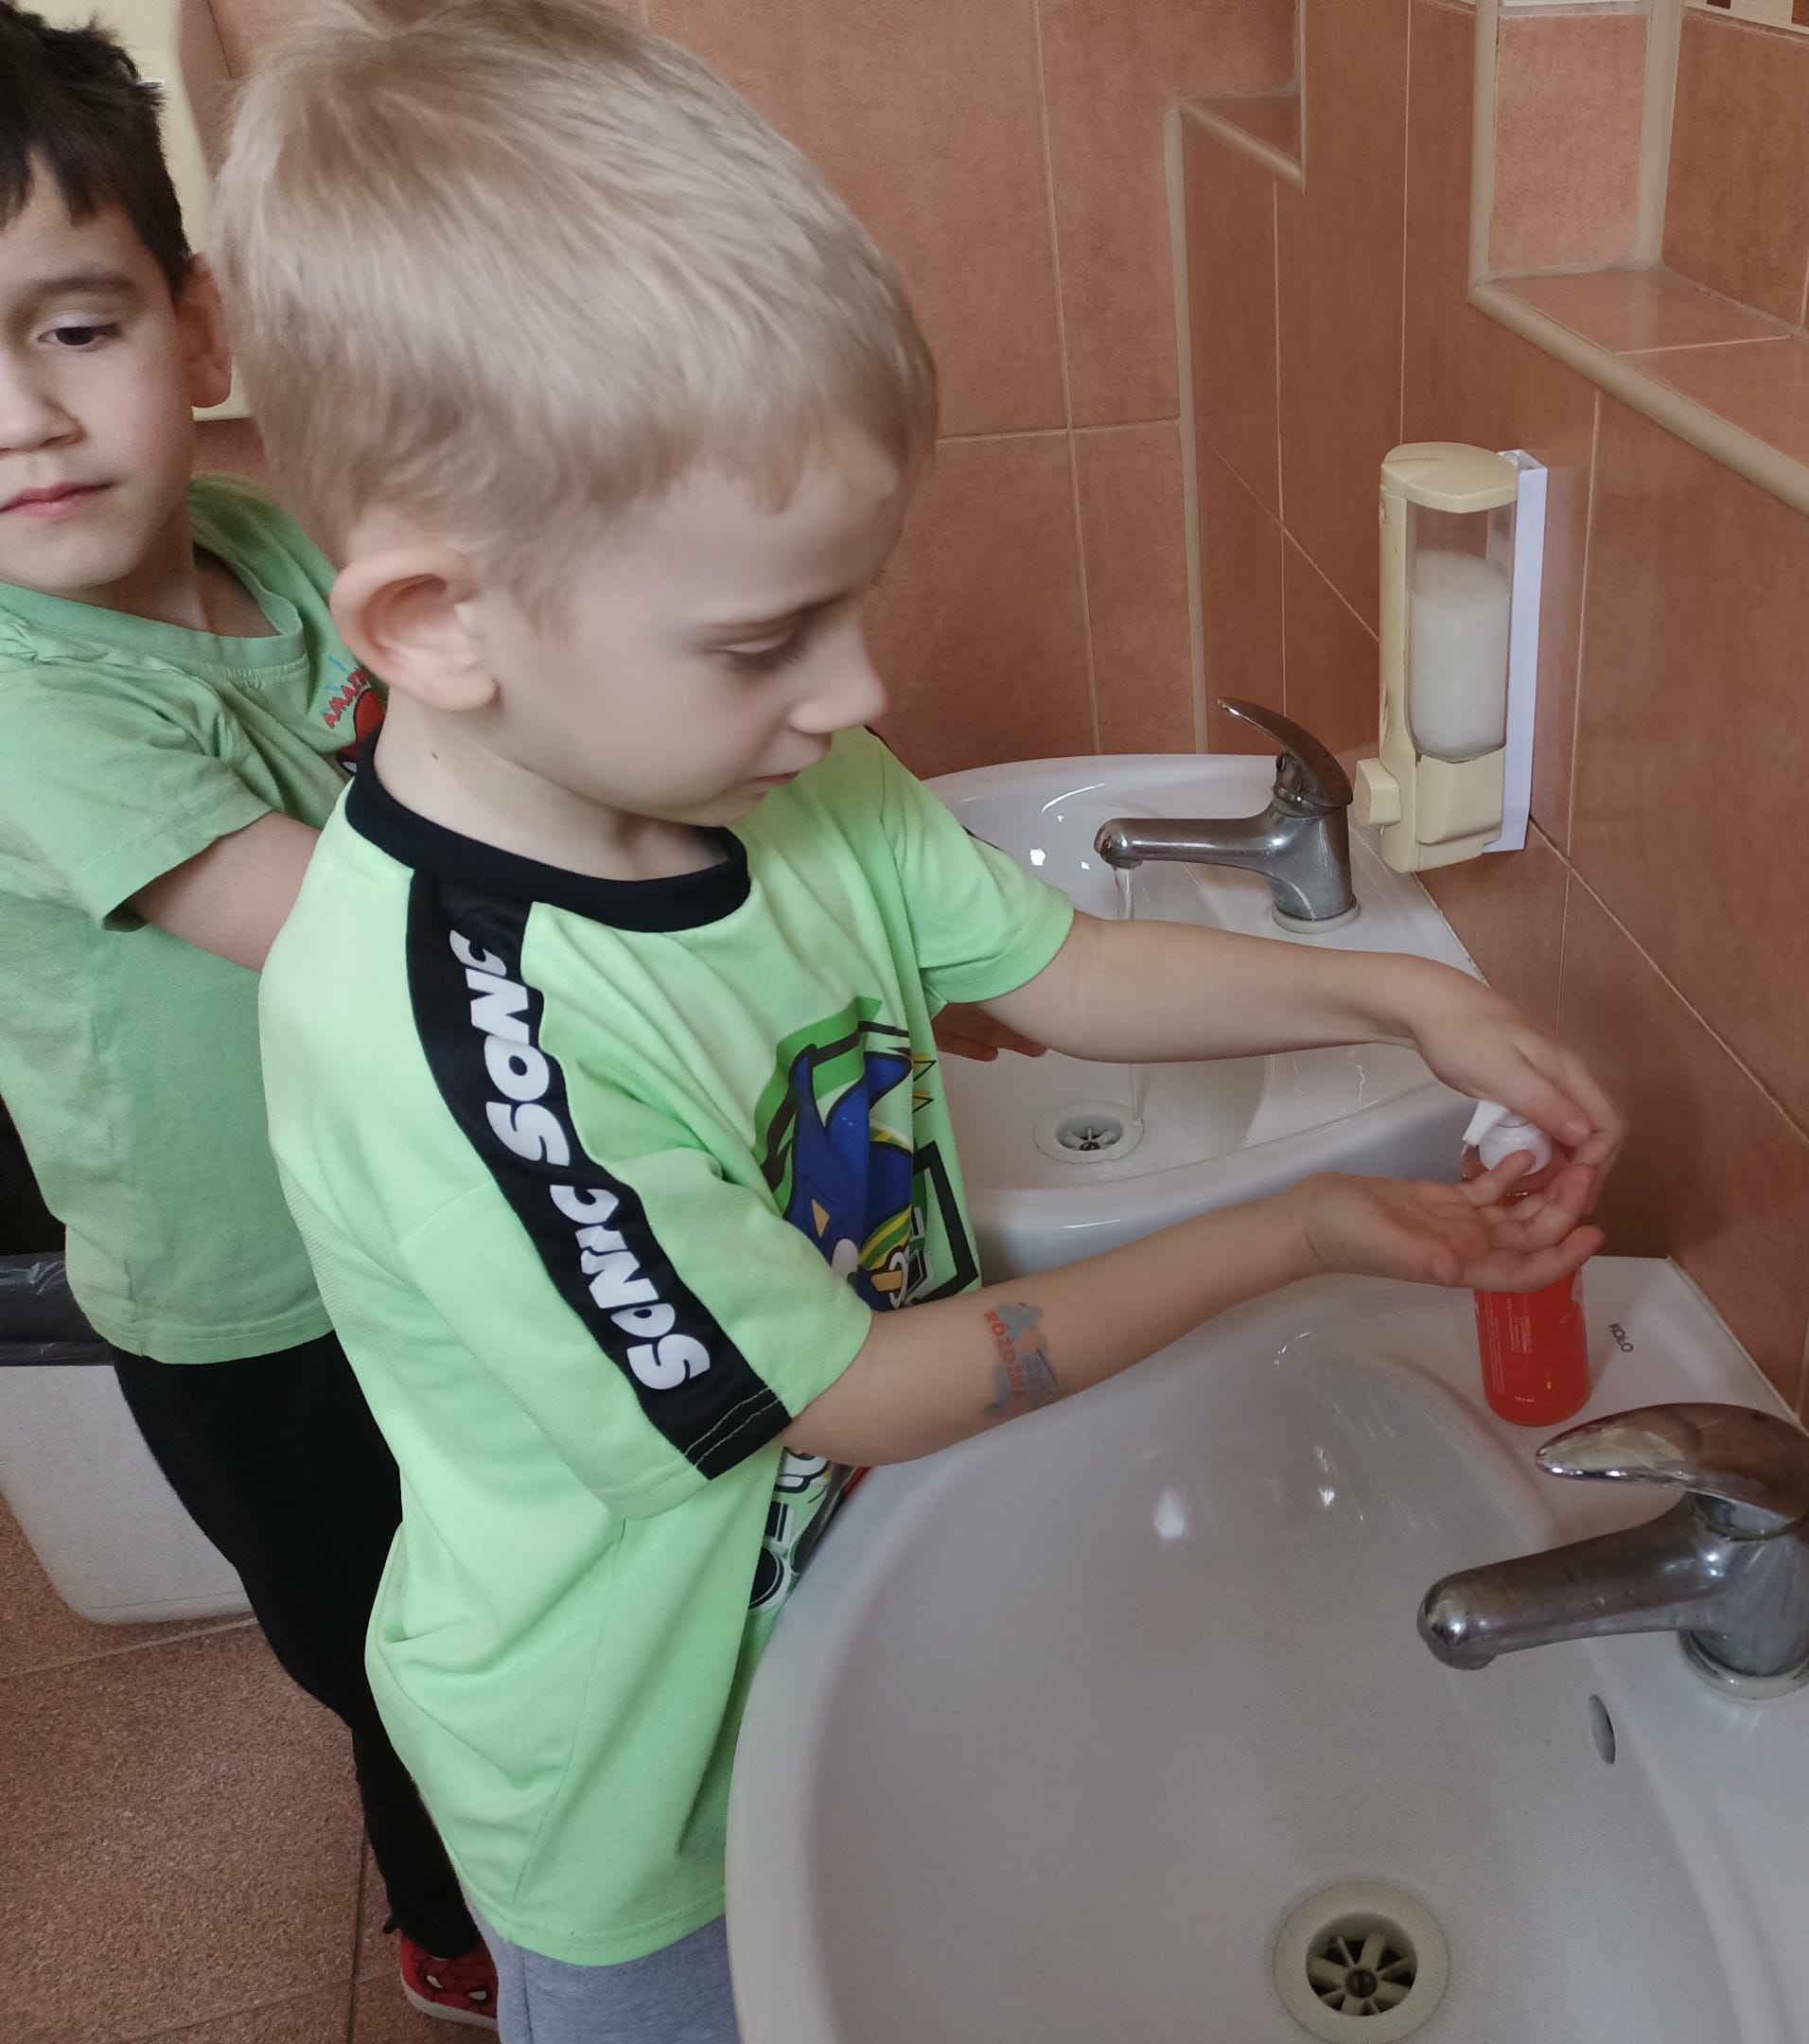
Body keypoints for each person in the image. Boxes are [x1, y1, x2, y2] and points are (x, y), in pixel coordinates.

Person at [216, 4, 1625, 2040]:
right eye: (765, 635)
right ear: (439, 624)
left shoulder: (779, 783)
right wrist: (1303, 1229)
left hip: (858, 1604)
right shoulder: (462, 1042)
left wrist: (1393, 995)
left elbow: (1067, 977)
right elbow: (859, 1392)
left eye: (852, 601)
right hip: (639, 1791)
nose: (859, 689)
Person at [0, 9, 496, 2024]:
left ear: (197, 332)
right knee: (387, 1645)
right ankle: (454, 1928)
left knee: (490, 1592)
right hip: (253, 1300)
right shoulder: (22, 699)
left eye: (73, 327)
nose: (21, 419)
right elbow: (350, 926)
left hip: (408, 1212)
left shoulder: (274, 549)